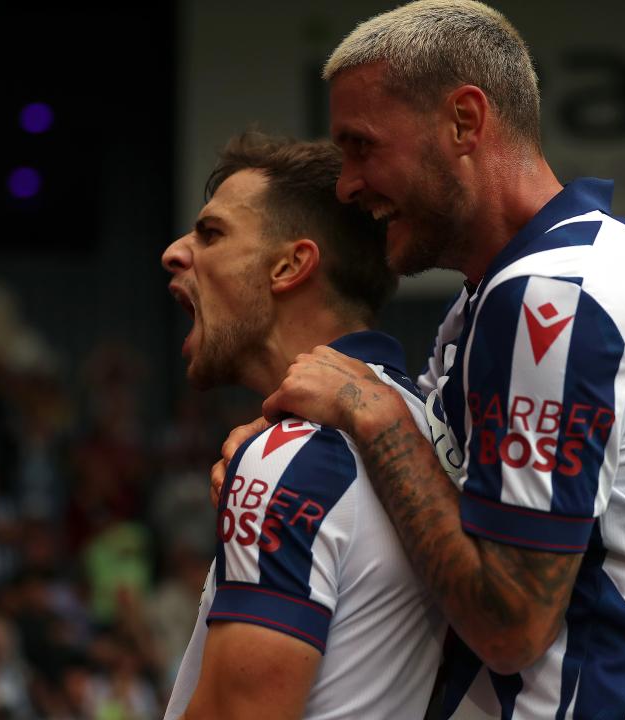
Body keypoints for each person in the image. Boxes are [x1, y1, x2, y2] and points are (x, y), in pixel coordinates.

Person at [216, 1, 625, 717]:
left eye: (362, 147)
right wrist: (296, 453)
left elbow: (510, 626)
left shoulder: (552, 296)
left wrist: (373, 414)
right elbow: (435, 477)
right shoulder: (567, 267)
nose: (347, 185)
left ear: (464, 122)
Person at [161, 133, 443, 719]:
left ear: (290, 266)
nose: (175, 253)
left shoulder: (292, 454)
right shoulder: (422, 426)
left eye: (211, 234)